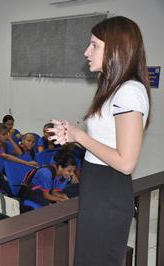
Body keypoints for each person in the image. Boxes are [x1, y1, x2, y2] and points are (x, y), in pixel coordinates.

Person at [49, 16, 150, 266]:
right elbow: (107, 144)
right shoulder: (112, 89)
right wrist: (73, 135)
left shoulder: (129, 92)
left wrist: (80, 135)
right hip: (98, 186)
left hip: (109, 190)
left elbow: (126, 162)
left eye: (94, 45)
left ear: (116, 49)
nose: (86, 51)